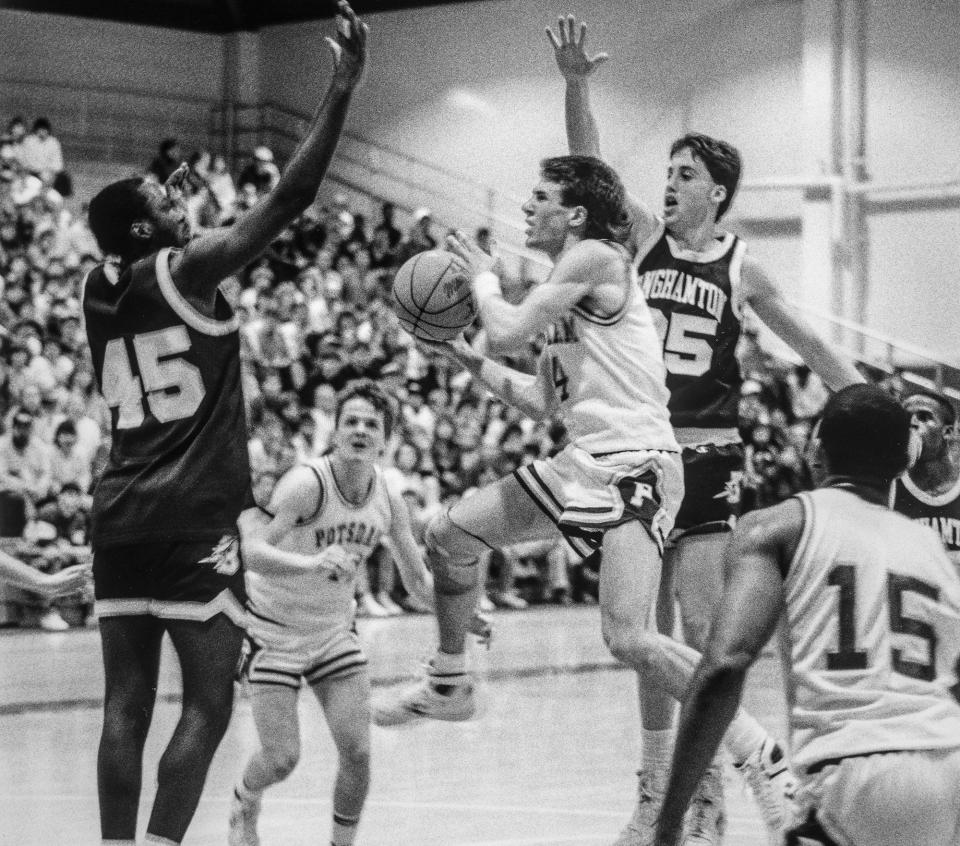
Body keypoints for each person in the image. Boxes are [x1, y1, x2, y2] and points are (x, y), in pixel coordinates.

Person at [374, 155, 779, 843]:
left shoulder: (595, 257)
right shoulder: (563, 298)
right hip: (583, 461)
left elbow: (505, 327)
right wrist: (464, 358)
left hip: (640, 463)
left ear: (577, 214)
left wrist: (479, 275)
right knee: (450, 534)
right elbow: (538, 402)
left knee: (629, 637)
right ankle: (450, 682)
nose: (527, 210)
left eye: (541, 199)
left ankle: (754, 750)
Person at [548, 16, 865, 841]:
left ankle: (728, 782)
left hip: (710, 458)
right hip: (637, 456)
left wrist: (875, 401)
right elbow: (593, 173)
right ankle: (667, 792)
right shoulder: (641, 244)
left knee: (701, 630)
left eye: (684, 174)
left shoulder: (739, 265)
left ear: (717, 191)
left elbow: (811, 344)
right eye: (668, 172)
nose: (669, 183)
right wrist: (578, 85)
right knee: (643, 639)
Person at [82, 6, 367, 845]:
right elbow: (292, 197)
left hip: (119, 516)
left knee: (124, 704)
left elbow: (122, 242)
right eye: (164, 200)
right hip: (193, 518)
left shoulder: (97, 291)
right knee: (207, 702)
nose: (179, 200)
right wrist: (341, 88)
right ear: (148, 231)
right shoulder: (187, 268)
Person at [654, 384, 960, 846]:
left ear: (816, 449)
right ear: (902, 462)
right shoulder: (930, 549)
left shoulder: (777, 526)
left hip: (855, 770)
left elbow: (725, 664)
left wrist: (669, 820)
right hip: (947, 769)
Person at [228, 380, 437, 846]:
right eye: (352, 421)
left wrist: (459, 618)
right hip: (271, 629)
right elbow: (252, 552)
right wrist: (311, 562)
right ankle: (245, 797)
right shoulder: (306, 484)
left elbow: (417, 580)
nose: (361, 430)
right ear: (336, 430)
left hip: (332, 632)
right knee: (281, 759)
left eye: (372, 424)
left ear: (387, 438)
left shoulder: (387, 496)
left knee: (359, 751)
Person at [891, 389, 960, 567]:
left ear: (948, 432)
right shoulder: (889, 486)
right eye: (906, 418)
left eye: (923, 417)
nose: (912, 423)